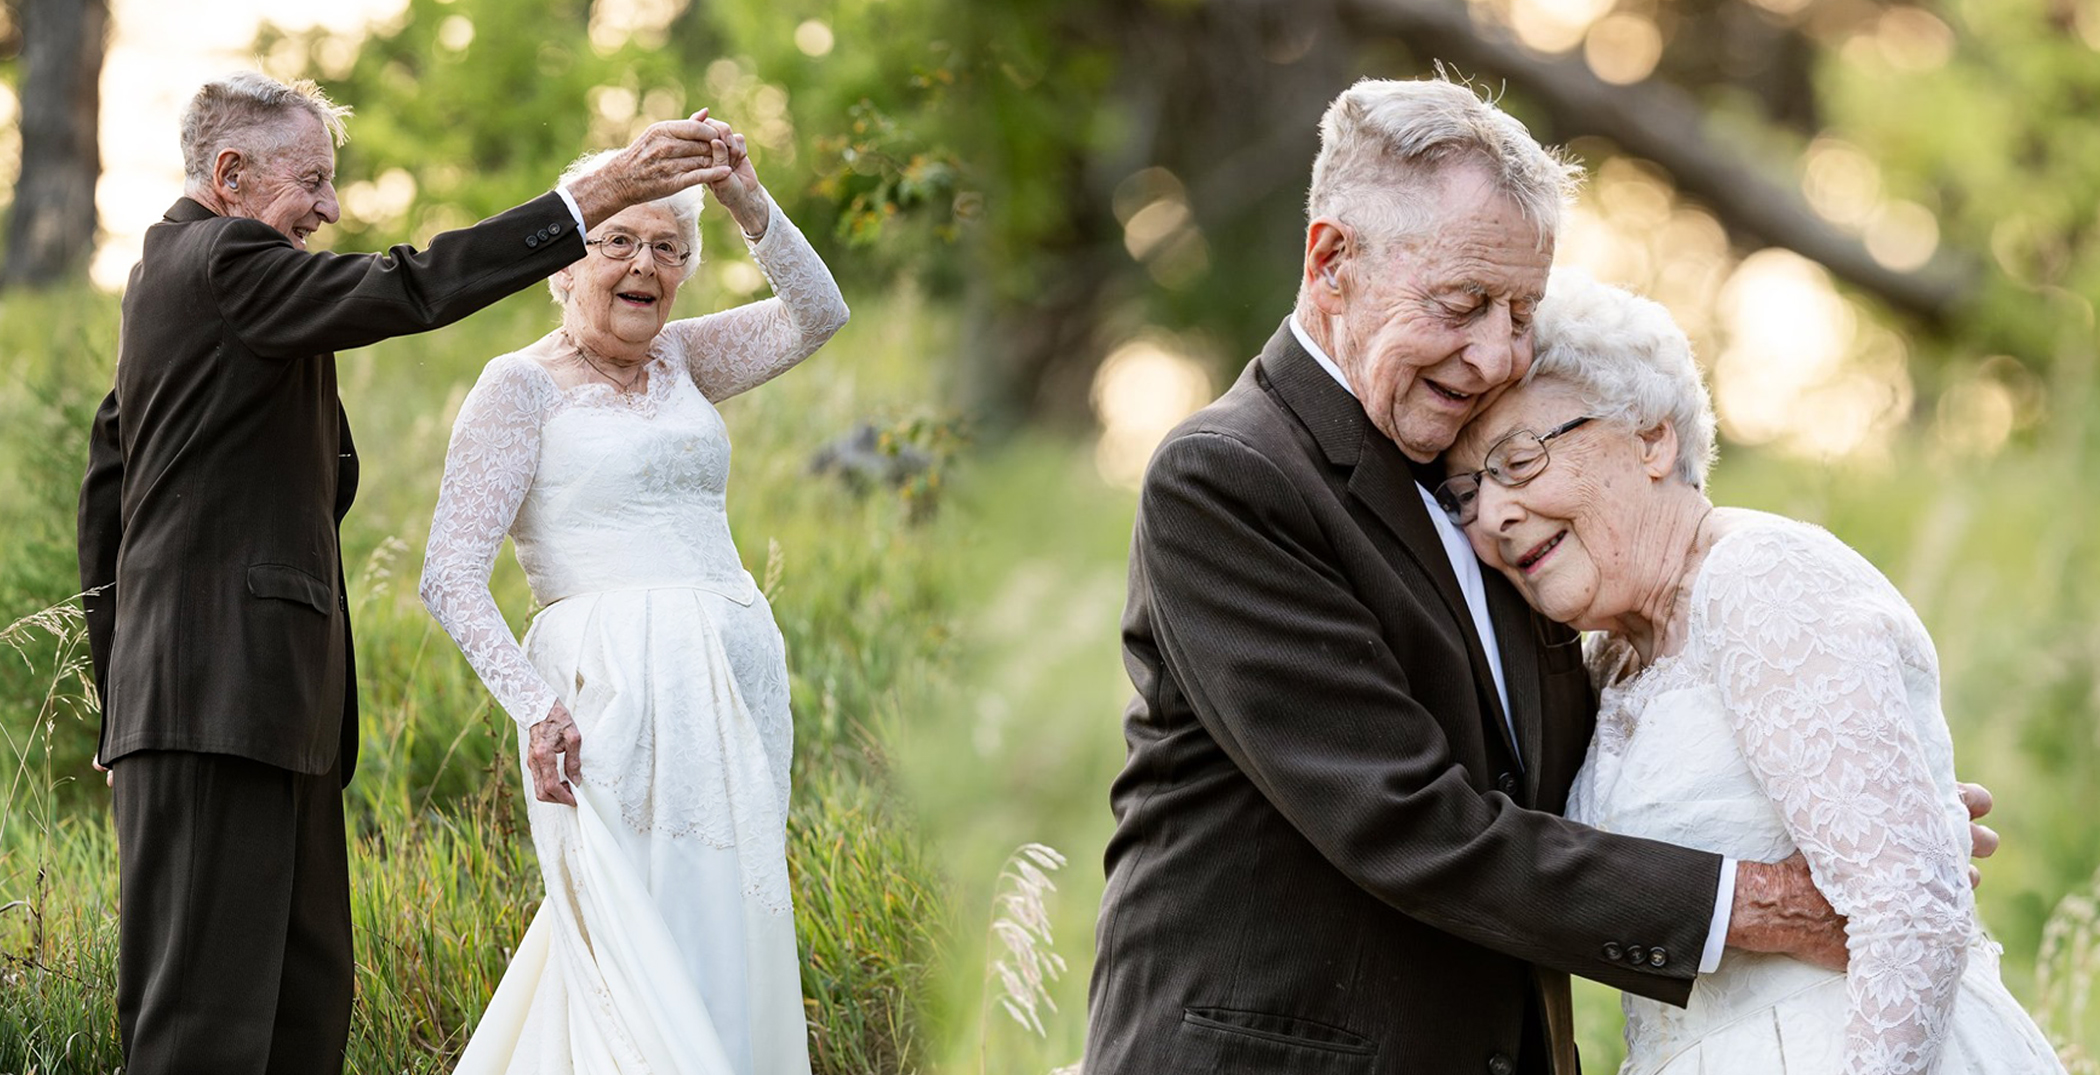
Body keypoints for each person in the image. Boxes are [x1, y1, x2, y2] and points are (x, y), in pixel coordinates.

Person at [1084, 77, 1996, 1075]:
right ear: (1333, 259)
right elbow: (1406, 820)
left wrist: (1849, 793)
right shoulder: (1232, 477)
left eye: (1520, 310)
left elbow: (1564, 785)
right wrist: (1769, 901)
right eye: (1465, 303)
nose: (1496, 354)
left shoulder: (1493, 497)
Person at [75, 71, 736, 1074]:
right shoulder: (221, 259)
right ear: (229, 174)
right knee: (202, 1033)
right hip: (213, 707)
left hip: (259, 710)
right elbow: (412, 284)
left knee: (300, 1019)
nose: (330, 208)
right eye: (312, 181)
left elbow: (107, 483)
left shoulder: (181, 287)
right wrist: (602, 194)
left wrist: (118, 686)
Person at [1439, 271, 2065, 1075]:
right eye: (1467, 492)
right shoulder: (1610, 661)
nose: (1493, 516)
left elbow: (1914, 911)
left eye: (1518, 460)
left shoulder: (1758, 576)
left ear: (1652, 438)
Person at [419, 114, 847, 1074]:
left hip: (735, 691)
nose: (643, 264)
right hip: (603, 704)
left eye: (667, 246)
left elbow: (818, 313)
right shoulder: (516, 388)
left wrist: (742, 192)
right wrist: (536, 708)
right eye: (616, 240)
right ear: (562, 265)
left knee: (723, 927)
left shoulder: (687, 358)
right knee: (628, 944)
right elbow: (449, 573)